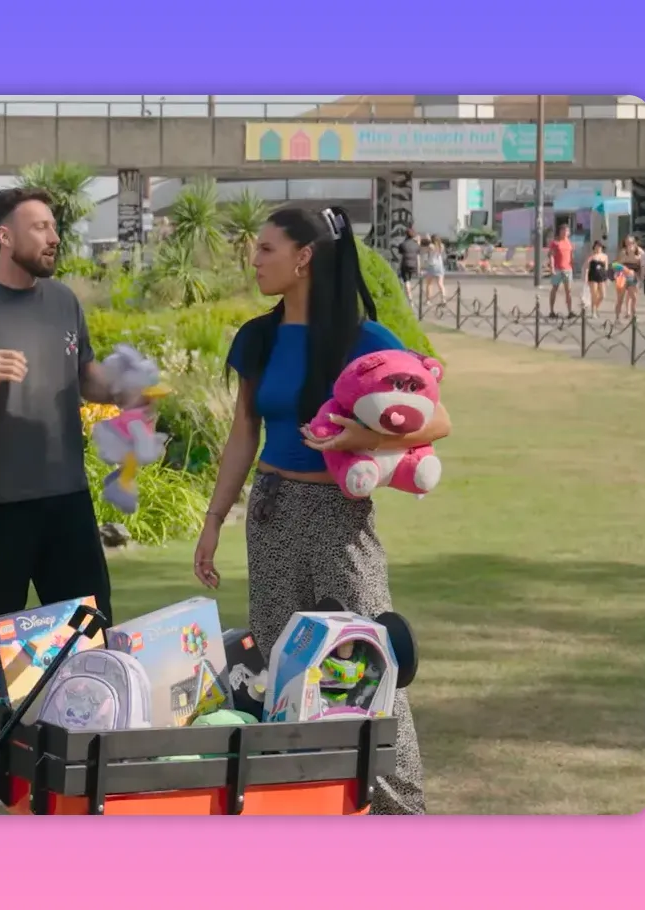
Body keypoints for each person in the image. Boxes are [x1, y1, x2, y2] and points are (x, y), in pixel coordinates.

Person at [191, 205, 451, 816]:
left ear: (303, 258)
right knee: (283, 668)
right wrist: (212, 521)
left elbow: (437, 419)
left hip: (338, 517)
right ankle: (308, 804)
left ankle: (401, 812)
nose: (254, 260)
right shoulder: (258, 337)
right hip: (272, 513)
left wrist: (361, 442)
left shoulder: (365, 341)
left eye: (265, 249)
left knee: (372, 662)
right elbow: (242, 434)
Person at [0, 186, 126, 809]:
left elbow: (84, 377)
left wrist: (124, 386)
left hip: (66, 498)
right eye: (39, 226)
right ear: (4, 236)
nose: (52, 235)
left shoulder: (63, 302)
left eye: (54, 225)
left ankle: (95, 753)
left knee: (91, 631)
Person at [547, 225, 575, 319]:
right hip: (558, 269)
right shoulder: (555, 242)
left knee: (568, 291)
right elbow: (551, 255)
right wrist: (552, 267)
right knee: (554, 289)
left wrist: (572, 265)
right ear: (559, 232)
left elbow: (571, 255)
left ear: (568, 233)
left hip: (567, 269)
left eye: (566, 231)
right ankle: (551, 311)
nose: (564, 232)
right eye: (563, 230)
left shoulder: (569, 243)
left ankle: (570, 311)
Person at [585, 240, 610, 317]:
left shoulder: (605, 256)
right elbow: (587, 268)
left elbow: (606, 268)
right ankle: (593, 312)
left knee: (603, 295)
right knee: (594, 295)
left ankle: (596, 308)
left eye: (600, 246)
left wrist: (607, 278)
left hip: (601, 277)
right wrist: (586, 279)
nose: (598, 248)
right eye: (597, 246)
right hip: (593, 276)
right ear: (594, 247)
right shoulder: (591, 256)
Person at [396, 228, 420, 296]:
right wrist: (418, 269)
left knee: (406, 281)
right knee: (409, 280)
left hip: (405, 264)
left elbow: (400, 257)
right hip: (414, 265)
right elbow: (418, 258)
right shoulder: (416, 245)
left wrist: (399, 266)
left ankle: (410, 298)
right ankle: (409, 294)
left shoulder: (402, 244)